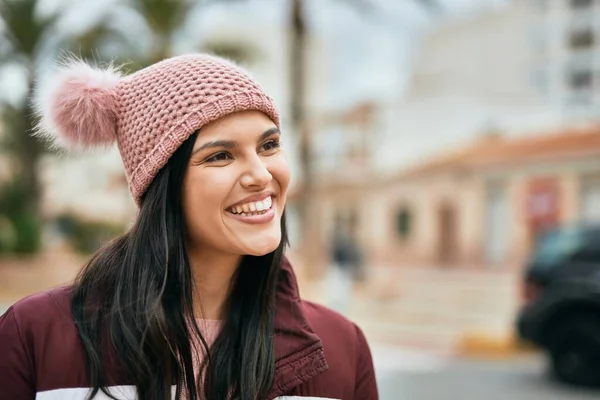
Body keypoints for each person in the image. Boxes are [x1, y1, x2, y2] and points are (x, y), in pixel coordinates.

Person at [0, 54, 378, 400]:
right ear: (162, 184)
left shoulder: (343, 347)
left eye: (269, 145)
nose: (261, 175)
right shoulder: (35, 335)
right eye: (220, 155)